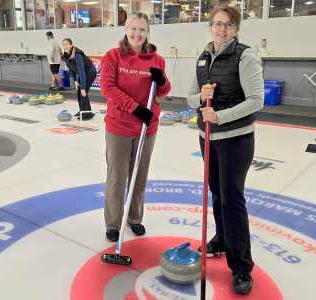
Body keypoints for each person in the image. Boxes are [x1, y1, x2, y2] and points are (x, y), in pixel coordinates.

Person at [186, 4, 264, 296]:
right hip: (207, 138)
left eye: (228, 25)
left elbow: (257, 100)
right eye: (217, 24)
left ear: (236, 29)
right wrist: (200, 98)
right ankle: (221, 238)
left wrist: (221, 115)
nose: (222, 30)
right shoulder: (203, 56)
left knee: (232, 200)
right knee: (217, 192)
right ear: (210, 27)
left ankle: (241, 267)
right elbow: (190, 97)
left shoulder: (246, 57)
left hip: (235, 139)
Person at [100, 12, 171, 242]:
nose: (137, 34)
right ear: (125, 29)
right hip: (119, 126)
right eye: (133, 28)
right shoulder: (113, 56)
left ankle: (135, 218)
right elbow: (108, 88)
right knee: (117, 178)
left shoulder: (156, 59)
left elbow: (163, 91)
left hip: (146, 128)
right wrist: (134, 108)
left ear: (147, 32)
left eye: (142, 30)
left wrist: (162, 81)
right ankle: (113, 224)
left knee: (139, 177)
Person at [61, 38, 97, 120]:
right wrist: (75, 81)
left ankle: (87, 114)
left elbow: (82, 72)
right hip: (84, 74)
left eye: (66, 44)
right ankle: (82, 110)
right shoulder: (66, 55)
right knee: (79, 92)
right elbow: (70, 69)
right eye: (63, 45)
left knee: (83, 92)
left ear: (71, 45)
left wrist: (83, 88)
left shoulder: (77, 55)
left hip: (90, 73)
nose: (65, 46)